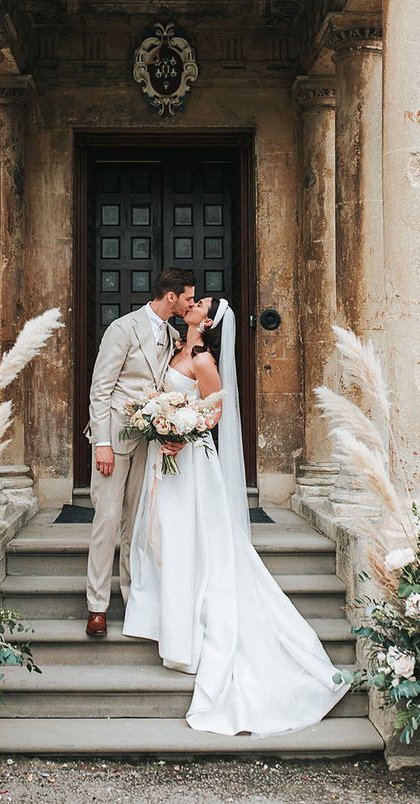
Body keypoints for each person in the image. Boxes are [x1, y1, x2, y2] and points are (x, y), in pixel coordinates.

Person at [123, 296, 350, 736]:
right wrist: (158, 419)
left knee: (194, 540)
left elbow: (215, 412)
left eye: (199, 302)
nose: (191, 302)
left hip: (190, 460)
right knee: (167, 537)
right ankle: (163, 616)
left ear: (205, 321)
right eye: (190, 298)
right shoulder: (174, 347)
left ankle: (187, 630)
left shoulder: (203, 359)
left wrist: (178, 430)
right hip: (167, 461)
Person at [84, 267, 195, 639]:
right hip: (114, 439)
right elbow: (101, 389)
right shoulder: (122, 329)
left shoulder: (171, 333)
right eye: (188, 298)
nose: (189, 303)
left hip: (148, 439)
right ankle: (97, 606)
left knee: (136, 522)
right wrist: (101, 442)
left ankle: (133, 600)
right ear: (171, 297)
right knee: (108, 519)